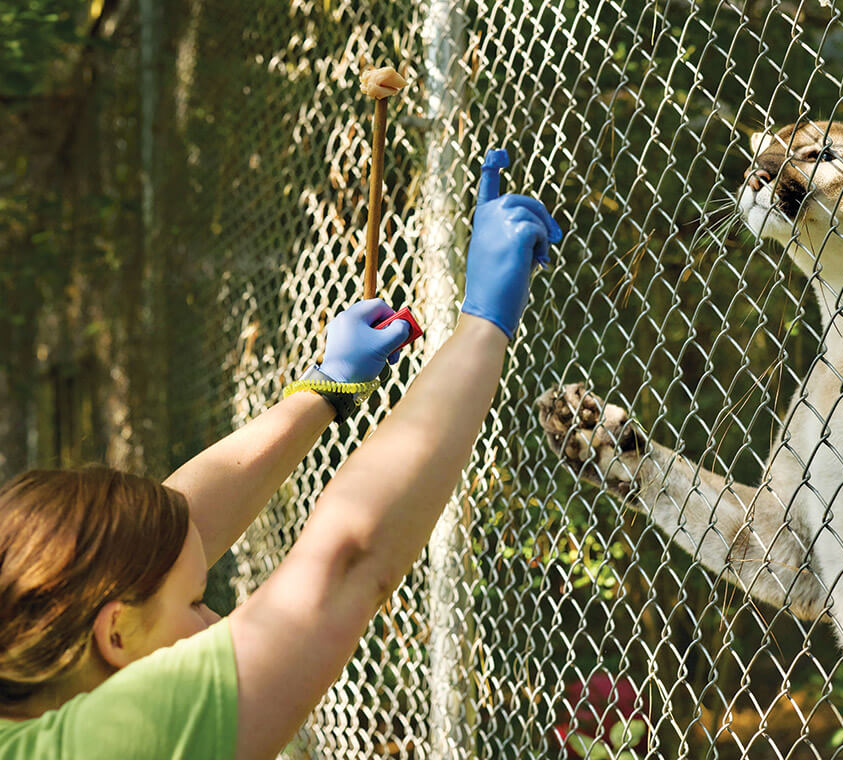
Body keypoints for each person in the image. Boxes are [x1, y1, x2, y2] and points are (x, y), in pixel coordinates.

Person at [0, 150, 561, 759]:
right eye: (196, 603)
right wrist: (483, 324)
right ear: (114, 632)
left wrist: (325, 387)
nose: (219, 623)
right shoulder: (108, 746)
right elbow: (348, 557)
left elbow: (171, 534)